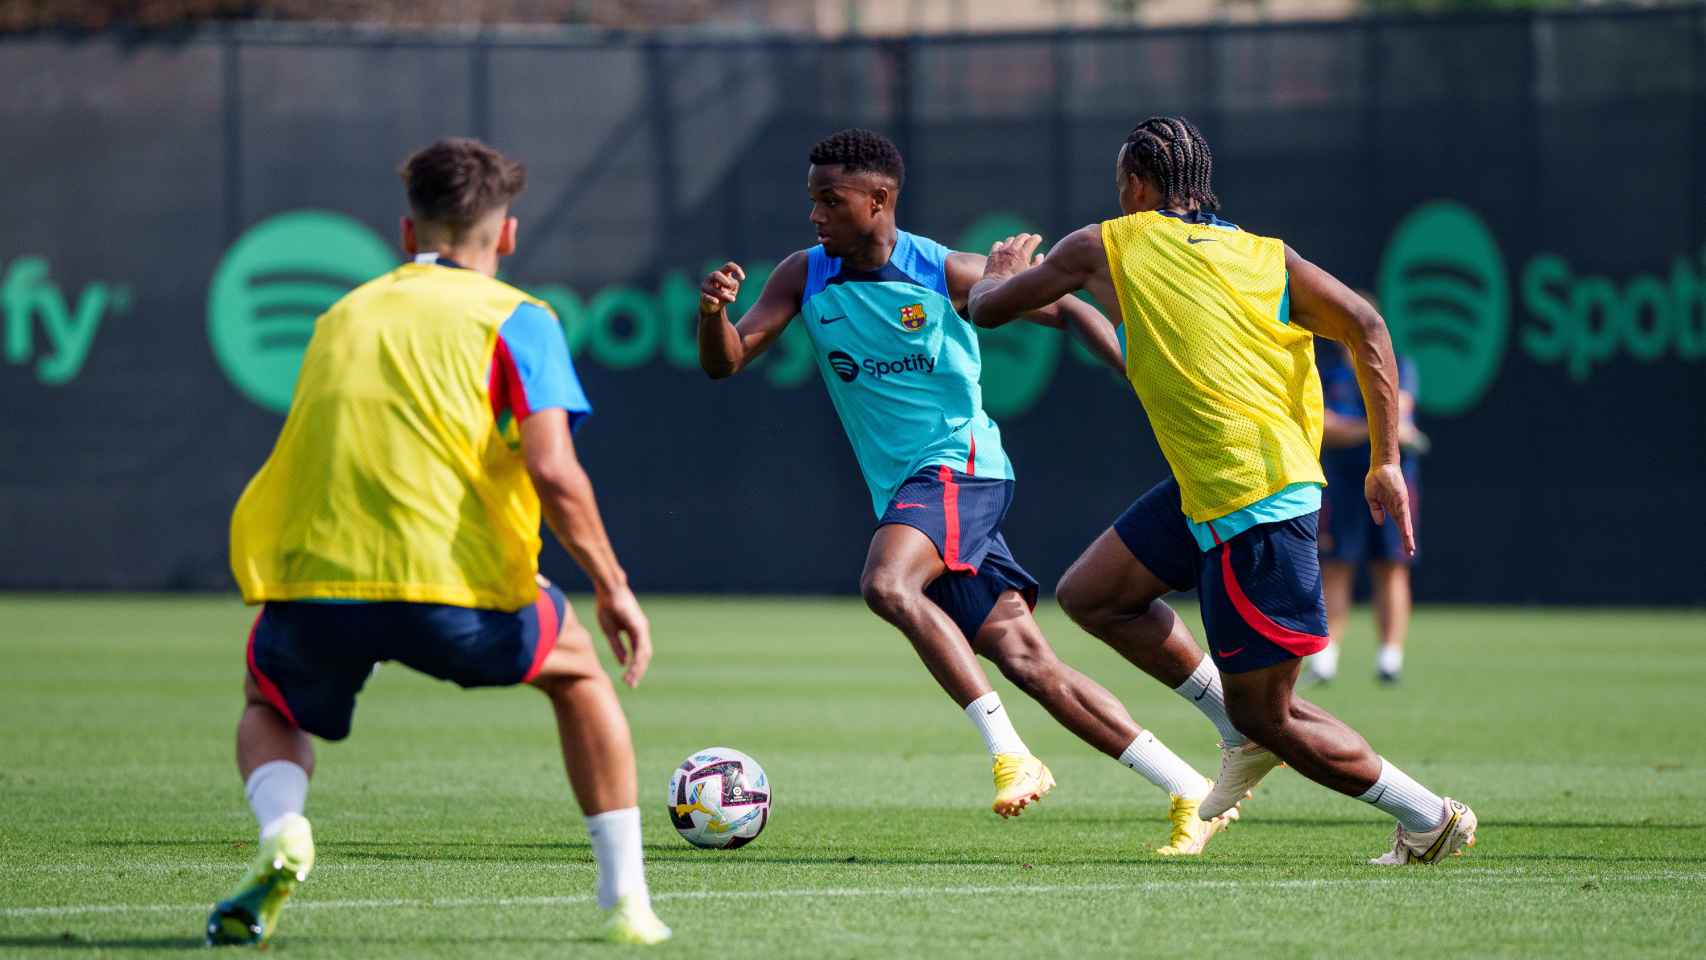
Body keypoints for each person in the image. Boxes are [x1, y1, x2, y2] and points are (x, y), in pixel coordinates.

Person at [697, 128, 1245, 855]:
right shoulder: (804, 276)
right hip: (913, 495)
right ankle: (1186, 790)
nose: (816, 215)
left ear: (880, 200)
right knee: (1028, 662)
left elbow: (1073, 306)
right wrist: (711, 317)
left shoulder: (945, 270)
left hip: (961, 470)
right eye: (812, 200)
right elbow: (727, 361)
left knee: (888, 585)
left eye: (831, 200)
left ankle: (1009, 752)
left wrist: (1134, 370)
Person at [966, 116, 1477, 865]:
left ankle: (1431, 818)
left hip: (1255, 500)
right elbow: (1368, 325)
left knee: (1277, 716)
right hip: (1213, 485)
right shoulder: (1267, 256)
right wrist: (1386, 459)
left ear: (1138, 187)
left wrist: (997, 270)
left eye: (1121, 186)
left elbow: (985, 311)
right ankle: (1237, 728)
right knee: (1094, 595)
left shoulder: (1105, 243)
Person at [209, 138, 671, 947]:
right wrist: (612, 585)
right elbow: (555, 471)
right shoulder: (519, 318)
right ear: (508, 236)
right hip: (455, 592)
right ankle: (626, 903)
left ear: (405, 230)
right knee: (582, 677)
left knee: (268, 701)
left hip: (317, 580)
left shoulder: (340, 314)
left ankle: (283, 830)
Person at [1307, 324, 1427, 685]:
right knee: (1336, 566)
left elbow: (1401, 410)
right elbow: (1324, 425)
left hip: (1394, 481)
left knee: (1391, 566)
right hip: (1341, 484)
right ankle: (1325, 659)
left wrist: (1372, 428)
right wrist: (1372, 428)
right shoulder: (1326, 372)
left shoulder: (1399, 366)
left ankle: (1390, 659)